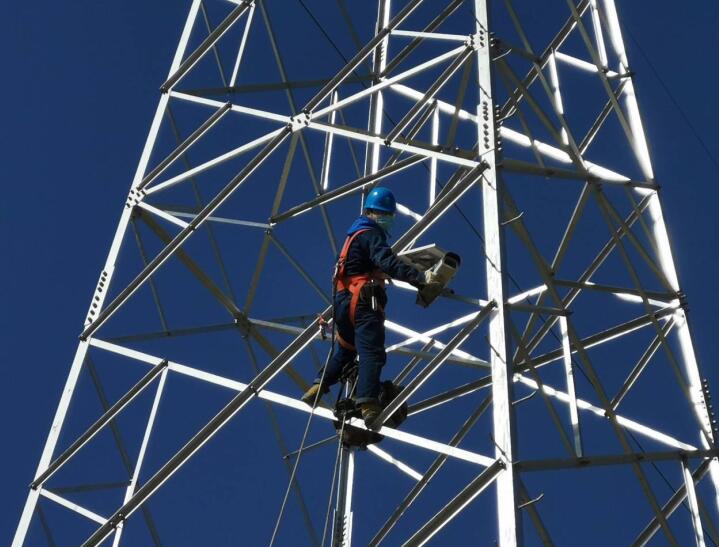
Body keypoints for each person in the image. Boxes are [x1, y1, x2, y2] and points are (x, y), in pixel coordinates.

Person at [301, 187, 436, 428]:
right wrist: (420, 278)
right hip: (363, 302)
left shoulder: (352, 238)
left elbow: (359, 268)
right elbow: (387, 261)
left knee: (346, 348)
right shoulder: (371, 234)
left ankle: (318, 385)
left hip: (343, 304)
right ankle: (368, 404)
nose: (389, 219)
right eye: (387, 215)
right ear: (374, 213)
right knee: (371, 352)